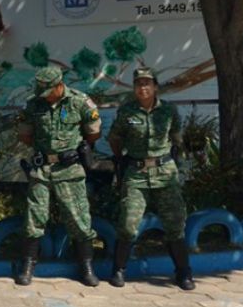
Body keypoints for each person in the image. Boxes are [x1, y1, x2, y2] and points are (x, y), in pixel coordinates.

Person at [16, 66, 102, 287]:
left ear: (60, 85)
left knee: (78, 218)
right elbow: (25, 135)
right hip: (41, 169)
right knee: (34, 217)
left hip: (69, 169)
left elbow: (93, 132)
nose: (43, 96)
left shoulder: (80, 102)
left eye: (48, 91)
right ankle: (27, 265)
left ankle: (86, 267)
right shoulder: (33, 104)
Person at [108, 67, 192, 290]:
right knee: (128, 223)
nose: (142, 87)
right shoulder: (126, 112)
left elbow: (176, 139)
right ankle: (118, 270)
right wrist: (121, 160)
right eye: (138, 84)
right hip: (136, 174)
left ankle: (183, 273)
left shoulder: (168, 111)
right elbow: (115, 138)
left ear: (155, 86)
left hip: (165, 173)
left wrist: (178, 166)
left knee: (175, 224)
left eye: (147, 83)